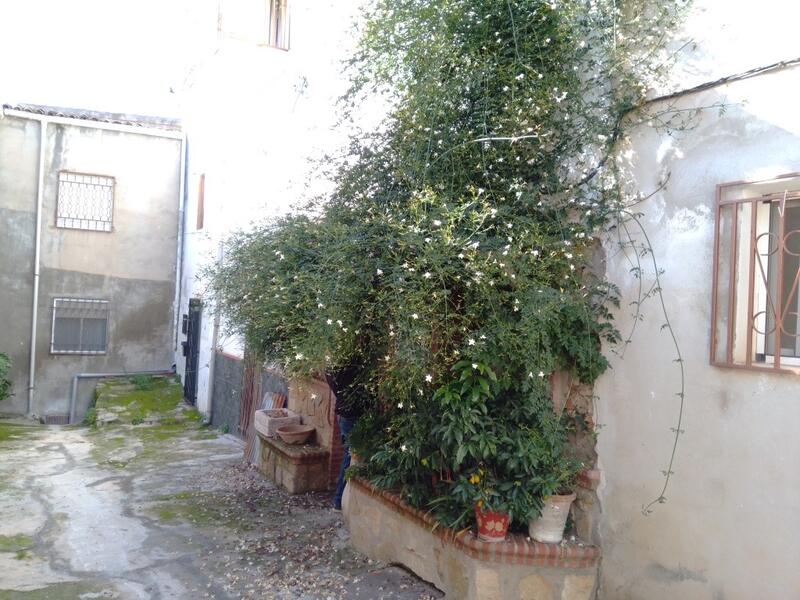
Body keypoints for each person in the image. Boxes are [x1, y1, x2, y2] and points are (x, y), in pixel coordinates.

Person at [325, 364, 364, 511]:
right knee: (350, 457)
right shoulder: (350, 367)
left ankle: (339, 499)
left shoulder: (333, 368)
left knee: (348, 456)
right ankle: (339, 499)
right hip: (350, 415)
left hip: (343, 413)